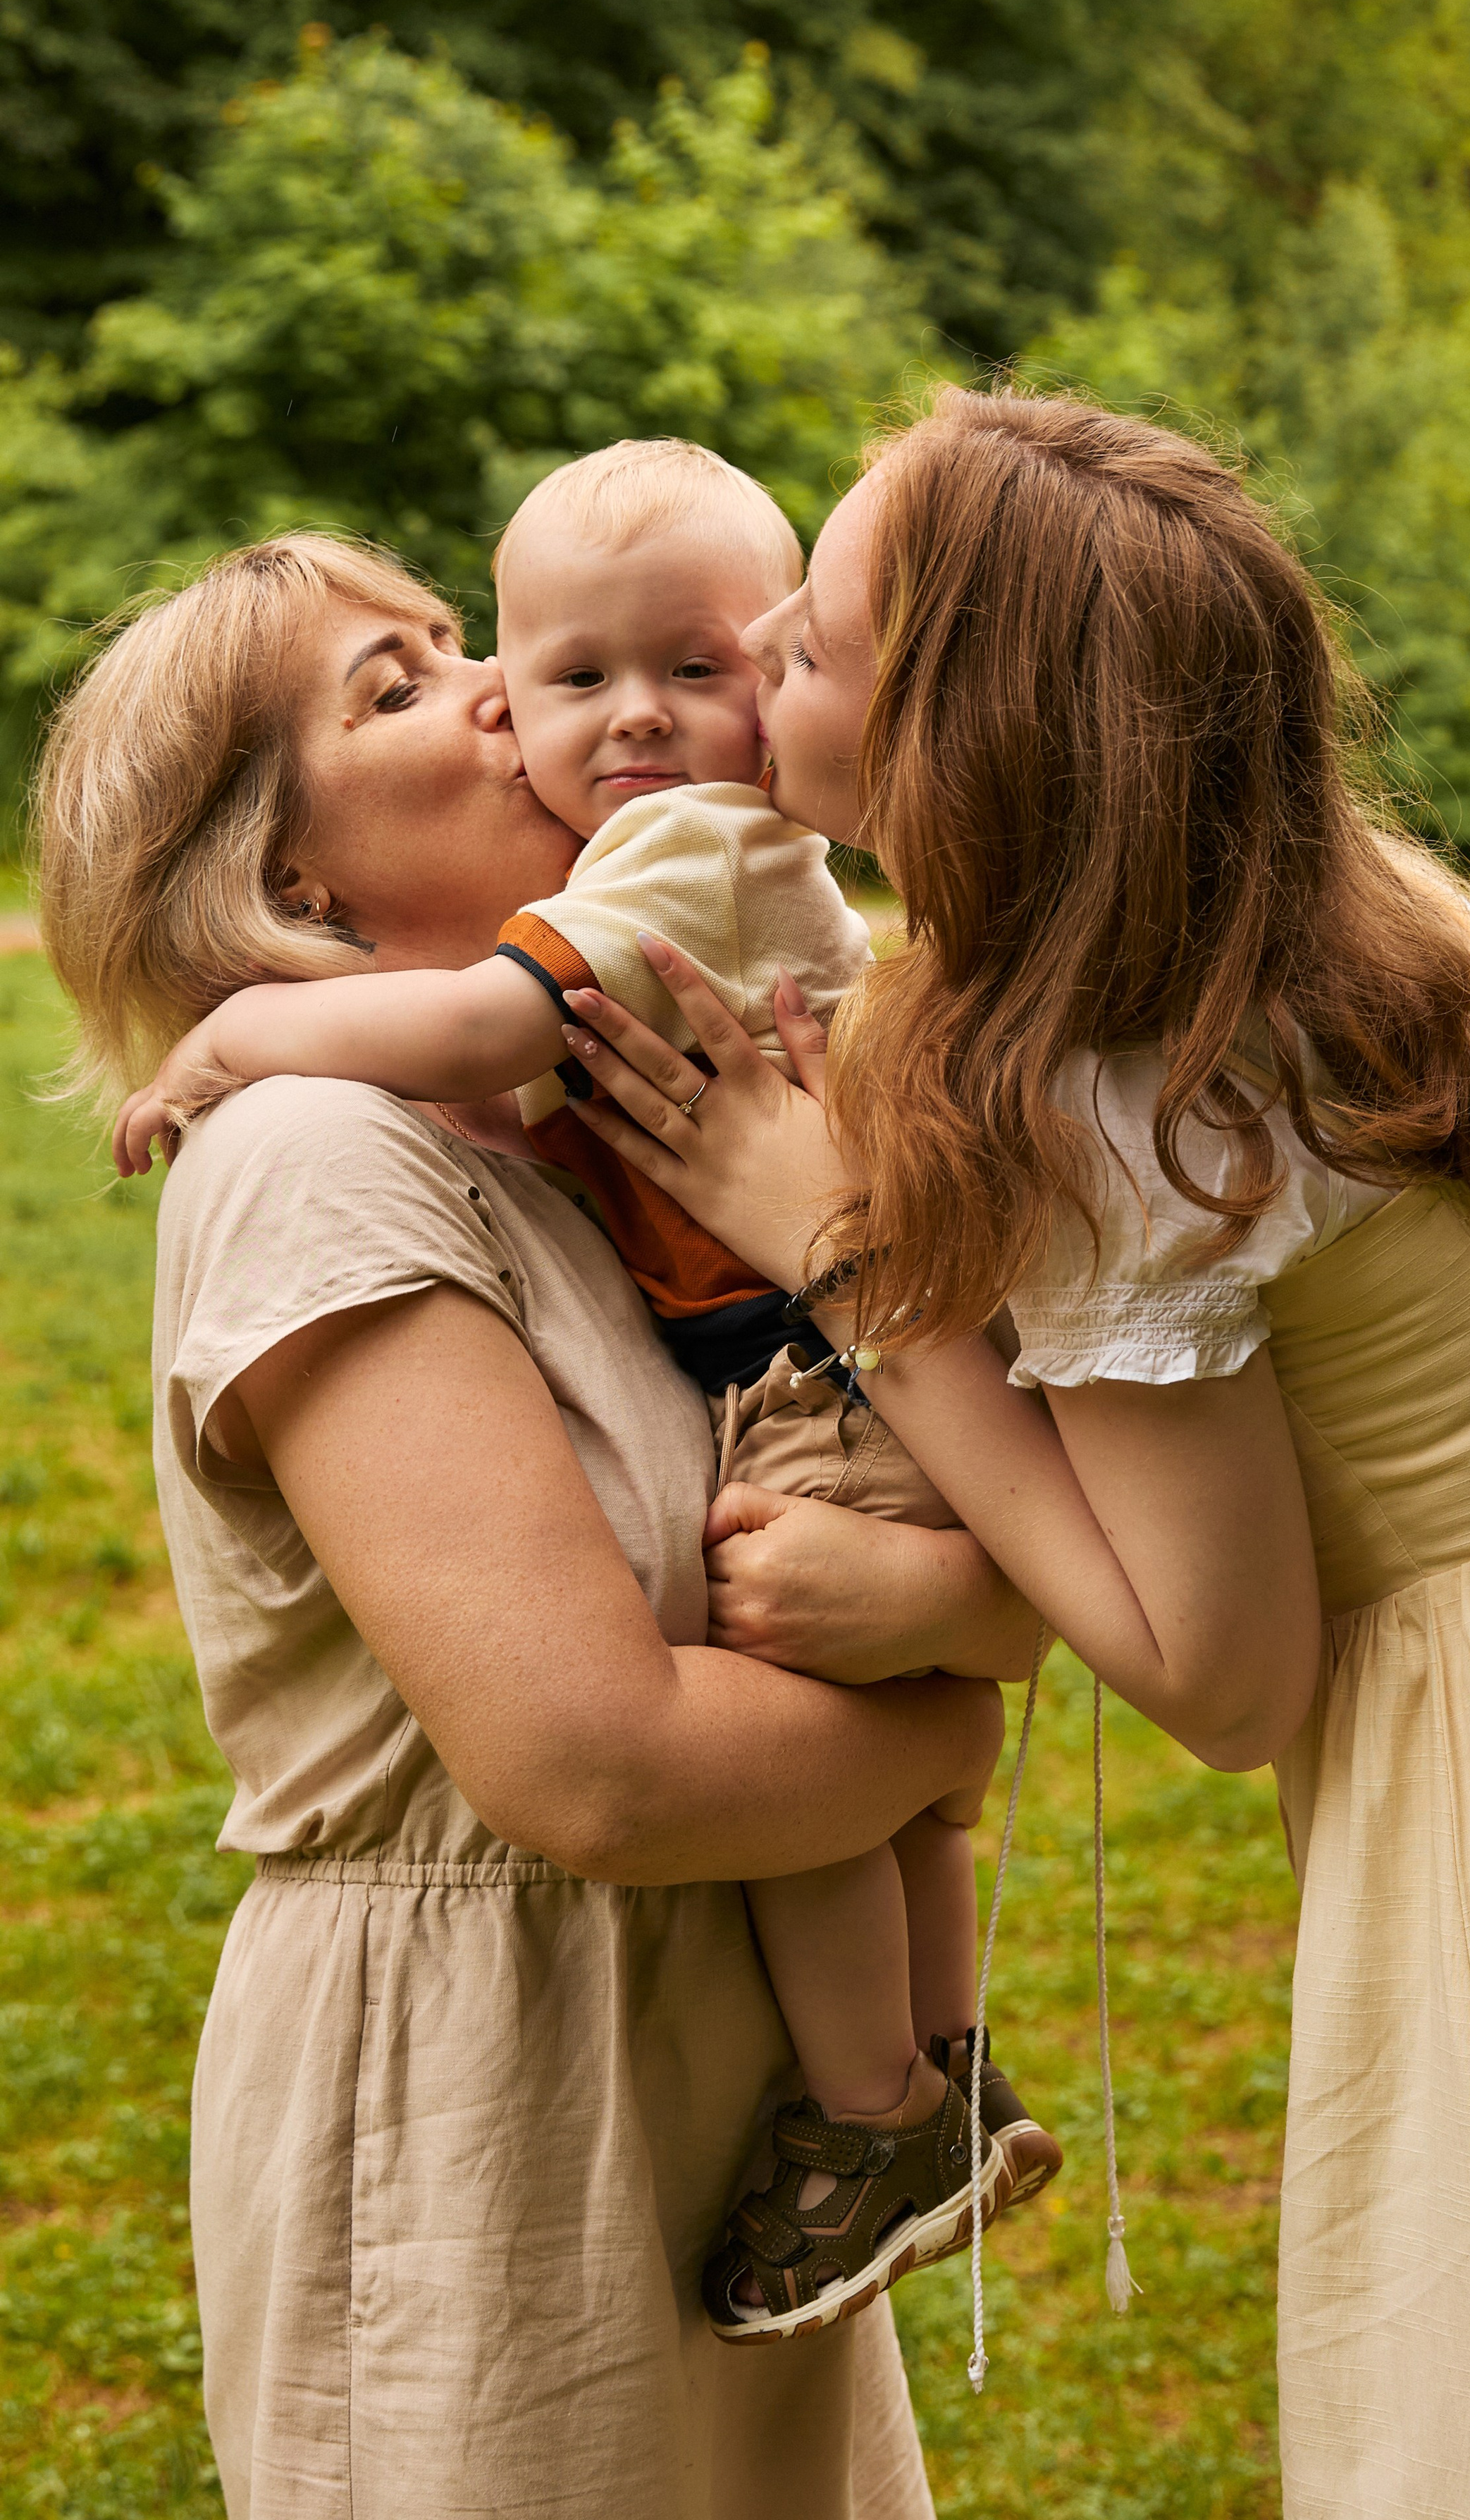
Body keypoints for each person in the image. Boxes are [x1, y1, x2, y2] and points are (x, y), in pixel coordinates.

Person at [560, 385, 1470, 2520]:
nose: (756, 643)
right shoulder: (1333, 899)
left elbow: (1226, 1675)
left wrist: (841, 1258)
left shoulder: (1142, 1091)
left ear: (969, 742)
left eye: (818, 642)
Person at [32, 527, 1043, 2519]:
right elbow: (602, 1765)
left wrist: (949, 1609)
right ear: (284, 874)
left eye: (453, 642)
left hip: (710, 2068)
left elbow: (920, 1530)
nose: (496, 687)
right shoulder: (315, 1151)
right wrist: (942, 1728)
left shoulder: (599, 1117)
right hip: (489, 2108)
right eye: (395, 690)